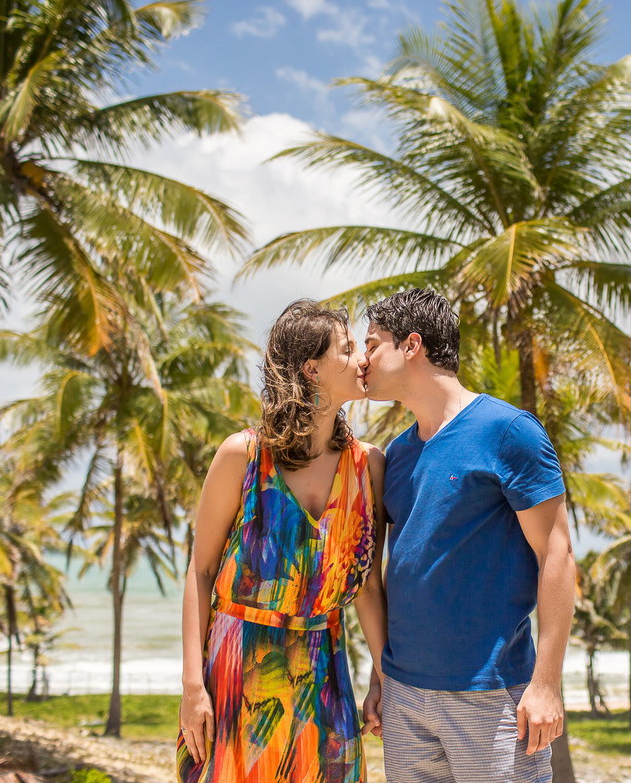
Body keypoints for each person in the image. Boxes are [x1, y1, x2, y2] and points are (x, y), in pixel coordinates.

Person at [362, 289, 576, 783]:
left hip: (493, 697)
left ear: (411, 345)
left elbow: (558, 556)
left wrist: (545, 684)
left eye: (373, 344)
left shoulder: (508, 431)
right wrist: (380, 677)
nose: (363, 360)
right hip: (404, 697)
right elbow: (403, 570)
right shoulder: (396, 455)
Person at [177, 300, 386, 783]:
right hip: (236, 670)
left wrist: (382, 678)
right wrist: (193, 685)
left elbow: (369, 587)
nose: (363, 360)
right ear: (312, 369)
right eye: (348, 349)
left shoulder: (369, 466)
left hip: (324, 671)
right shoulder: (243, 456)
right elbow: (201, 571)